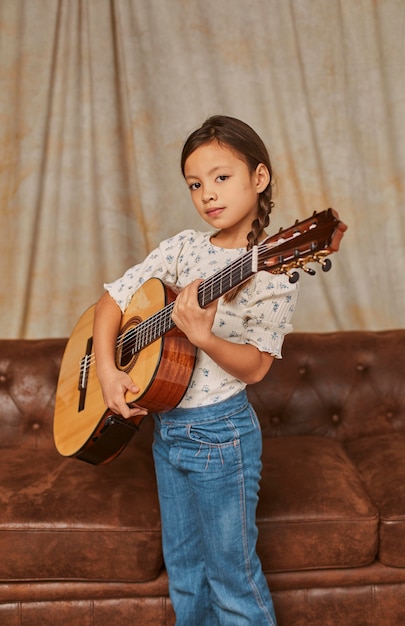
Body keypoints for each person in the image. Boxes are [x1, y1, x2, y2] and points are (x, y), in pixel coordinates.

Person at [93, 115, 299, 625]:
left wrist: (203, 336)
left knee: (231, 576)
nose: (207, 193)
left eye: (221, 177)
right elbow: (110, 301)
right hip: (168, 430)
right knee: (184, 572)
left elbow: (254, 368)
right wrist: (105, 370)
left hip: (220, 436)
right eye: (195, 184)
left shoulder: (275, 269)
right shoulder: (183, 248)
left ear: (259, 177)